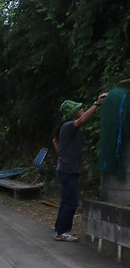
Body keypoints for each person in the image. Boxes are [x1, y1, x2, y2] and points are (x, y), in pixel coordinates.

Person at [51, 93, 107, 241]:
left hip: (65, 168)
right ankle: (62, 232)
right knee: (72, 202)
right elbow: (82, 120)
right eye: (80, 108)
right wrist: (96, 104)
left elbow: (54, 140)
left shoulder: (65, 127)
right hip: (68, 170)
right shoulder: (70, 125)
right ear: (73, 113)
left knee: (65, 201)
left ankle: (59, 230)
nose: (82, 109)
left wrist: (62, 154)